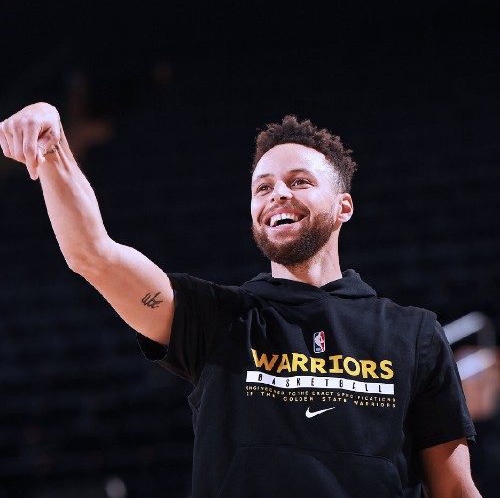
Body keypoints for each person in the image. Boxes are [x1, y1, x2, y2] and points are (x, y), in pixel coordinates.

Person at [0, 103, 481, 497]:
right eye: (263, 187)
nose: (277, 195)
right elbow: (93, 254)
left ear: (344, 207)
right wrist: (53, 146)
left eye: (299, 181)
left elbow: (455, 490)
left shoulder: (413, 333)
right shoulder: (218, 319)